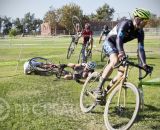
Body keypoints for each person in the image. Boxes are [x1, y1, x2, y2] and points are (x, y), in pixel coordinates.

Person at [94, 8, 153, 101]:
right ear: (138, 19)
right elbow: (119, 39)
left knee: (121, 74)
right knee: (115, 61)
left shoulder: (140, 32)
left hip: (118, 46)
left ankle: (104, 92)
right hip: (110, 42)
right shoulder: (126, 24)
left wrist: (144, 64)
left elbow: (141, 49)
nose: (145, 24)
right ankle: (98, 87)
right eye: (144, 21)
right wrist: (121, 52)